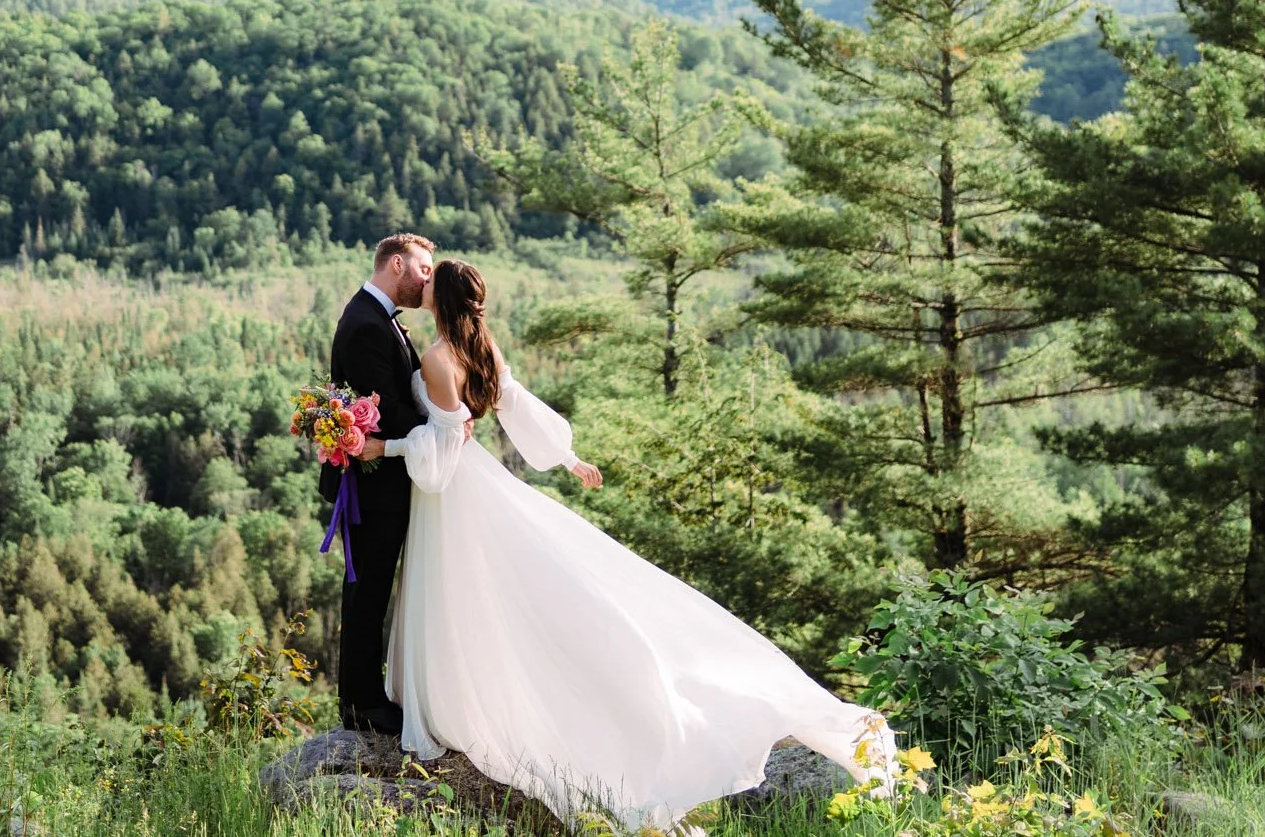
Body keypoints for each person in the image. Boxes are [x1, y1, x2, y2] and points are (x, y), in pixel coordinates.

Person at [373, 258, 899, 829]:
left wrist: (387, 449)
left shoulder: (436, 359)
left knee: (464, 593)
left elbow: (439, 460)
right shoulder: (483, 350)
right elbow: (517, 406)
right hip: (479, 483)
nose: (419, 285)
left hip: (457, 494)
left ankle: (465, 698)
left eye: (429, 282)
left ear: (440, 300)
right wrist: (567, 458)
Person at [319, 231, 437, 734]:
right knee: (367, 591)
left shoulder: (377, 318)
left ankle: (365, 694)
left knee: (370, 589)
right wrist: (443, 430)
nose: (427, 278)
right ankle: (361, 703)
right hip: (372, 486)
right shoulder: (367, 324)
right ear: (396, 265)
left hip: (382, 481)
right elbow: (387, 411)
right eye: (423, 269)